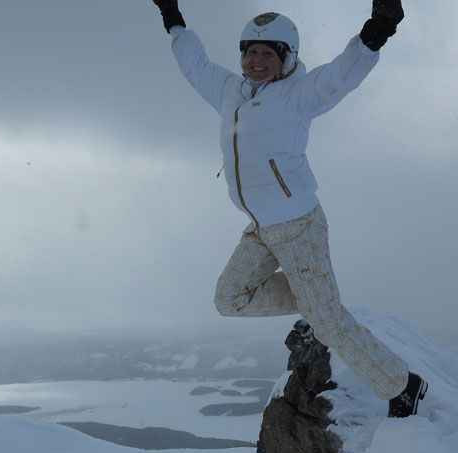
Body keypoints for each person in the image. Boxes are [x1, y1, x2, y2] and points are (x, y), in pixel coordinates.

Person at [150, 0, 427, 418]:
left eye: (268, 53)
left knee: (327, 320)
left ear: (287, 57)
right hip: (260, 228)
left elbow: (341, 75)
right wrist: (172, 18)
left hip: (298, 225)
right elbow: (195, 65)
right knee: (229, 298)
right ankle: (317, 300)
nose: (256, 61)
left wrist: (377, 31)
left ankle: (403, 385)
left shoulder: (299, 95)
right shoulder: (229, 91)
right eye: (250, 51)